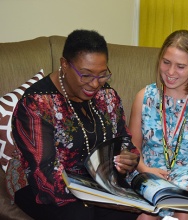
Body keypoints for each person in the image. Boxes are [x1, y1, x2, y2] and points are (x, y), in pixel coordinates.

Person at [8, 29, 140, 220]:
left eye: (102, 74)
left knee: (134, 213)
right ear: (64, 65)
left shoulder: (107, 96)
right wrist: (100, 196)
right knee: (81, 215)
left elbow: (125, 142)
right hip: (40, 186)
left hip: (98, 185)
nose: (95, 84)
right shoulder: (36, 104)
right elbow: (44, 177)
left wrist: (128, 159)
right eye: (86, 75)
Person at [128, 30, 188, 220]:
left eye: (180, 66)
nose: (170, 72)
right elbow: (133, 148)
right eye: (166, 62)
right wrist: (145, 170)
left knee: (183, 211)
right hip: (150, 171)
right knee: (146, 217)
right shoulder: (144, 97)